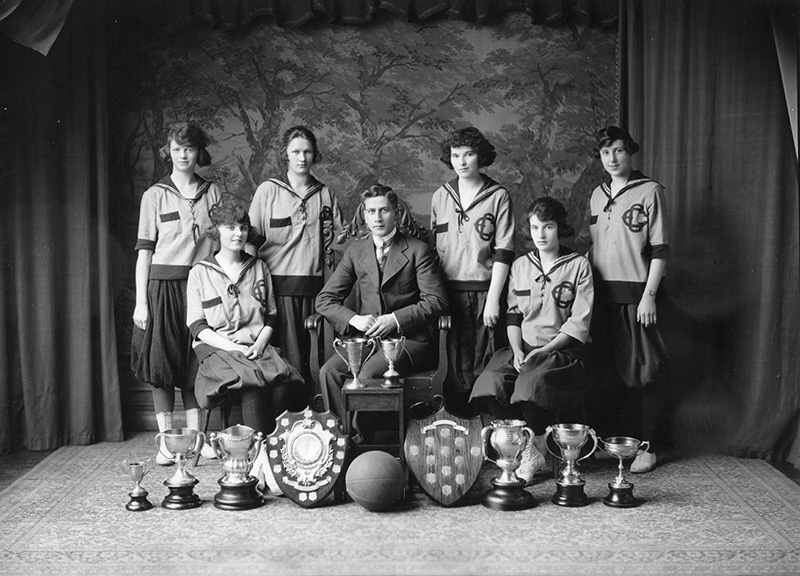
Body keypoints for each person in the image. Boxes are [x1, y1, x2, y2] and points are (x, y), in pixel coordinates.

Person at [471, 197, 594, 483]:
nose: (540, 234)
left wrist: (545, 350)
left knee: (530, 381)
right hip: (524, 349)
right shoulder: (520, 266)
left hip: (563, 352)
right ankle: (529, 449)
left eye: (548, 227)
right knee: (490, 382)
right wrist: (516, 350)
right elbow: (513, 316)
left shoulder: (578, 266)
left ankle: (537, 441)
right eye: (535, 227)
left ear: (559, 228)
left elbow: (579, 321)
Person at [187, 198, 305, 493]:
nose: (237, 234)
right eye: (230, 227)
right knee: (252, 384)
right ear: (217, 231)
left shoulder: (258, 267)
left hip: (255, 345)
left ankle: (268, 454)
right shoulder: (200, 272)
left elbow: (271, 316)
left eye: (242, 227)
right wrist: (233, 347)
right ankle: (259, 462)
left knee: (282, 382)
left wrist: (259, 343)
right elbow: (197, 326)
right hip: (217, 349)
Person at [316, 185, 448, 439]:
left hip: (409, 341)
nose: (377, 218)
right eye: (371, 211)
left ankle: (364, 441)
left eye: (384, 210)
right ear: (364, 215)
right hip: (368, 339)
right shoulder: (357, 251)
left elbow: (436, 301)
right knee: (329, 372)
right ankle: (341, 437)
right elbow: (324, 299)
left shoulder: (417, 250)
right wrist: (355, 319)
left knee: (368, 376)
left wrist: (395, 320)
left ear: (395, 213)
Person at [131, 122, 221, 464]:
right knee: (162, 362)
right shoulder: (153, 195)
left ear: (200, 153)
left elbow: (221, 243)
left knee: (194, 362)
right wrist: (141, 302)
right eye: (177, 148)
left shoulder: (212, 193)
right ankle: (168, 443)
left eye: (190, 148)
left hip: (200, 285)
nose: (184, 155)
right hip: (161, 288)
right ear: (167, 151)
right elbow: (144, 252)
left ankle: (197, 440)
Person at [587, 126, 669, 474]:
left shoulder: (650, 191)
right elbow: (593, 249)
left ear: (630, 152)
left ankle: (647, 446)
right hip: (603, 297)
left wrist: (649, 296)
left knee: (643, 371)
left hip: (637, 295)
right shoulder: (596, 194)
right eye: (606, 153)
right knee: (608, 372)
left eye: (619, 151)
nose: (612, 159)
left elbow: (660, 250)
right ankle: (620, 443)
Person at [248, 126, 345, 407]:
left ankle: (314, 424)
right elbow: (250, 244)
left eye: (307, 152)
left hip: (317, 292)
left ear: (315, 155)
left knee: (314, 360)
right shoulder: (269, 191)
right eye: (296, 152)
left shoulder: (325, 193)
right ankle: (283, 425)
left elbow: (340, 243)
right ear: (285, 155)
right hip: (277, 291)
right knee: (285, 362)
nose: (302, 158)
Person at [431, 127, 516, 415]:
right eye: (456, 155)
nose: (462, 161)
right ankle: (460, 427)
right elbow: (434, 251)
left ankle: (489, 427)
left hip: (484, 291)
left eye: (468, 154)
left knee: (485, 357)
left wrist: (493, 298)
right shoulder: (441, 196)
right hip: (448, 293)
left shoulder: (498, 196)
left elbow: (504, 252)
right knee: (454, 361)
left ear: (480, 156)